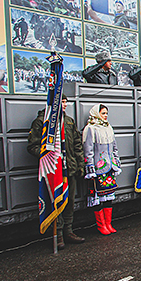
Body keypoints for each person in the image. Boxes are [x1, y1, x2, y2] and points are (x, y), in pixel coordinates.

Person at [27, 93, 85, 247]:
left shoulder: (68, 121)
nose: (64, 105)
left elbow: (77, 145)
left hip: (69, 168)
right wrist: (49, 155)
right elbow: (33, 146)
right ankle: (58, 234)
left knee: (69, 202)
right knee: (55, 202)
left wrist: (80, 165)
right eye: (62, 101)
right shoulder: (42, 122)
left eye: (66, 102)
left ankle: (68, 230)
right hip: (53, 171)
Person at [82, 104, 121, 235]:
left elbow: (114, 147)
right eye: (103, 113)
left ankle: (108, 223)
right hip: (97, 169)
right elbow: (88, 150)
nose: (105, 116)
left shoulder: (108, 128)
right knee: (98, 196)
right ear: (96, 114)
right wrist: (90, 168)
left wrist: (116, 161)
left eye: (106, 113)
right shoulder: (90, 129)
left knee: (108, 196)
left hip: (109, 167)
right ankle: (101, 225)